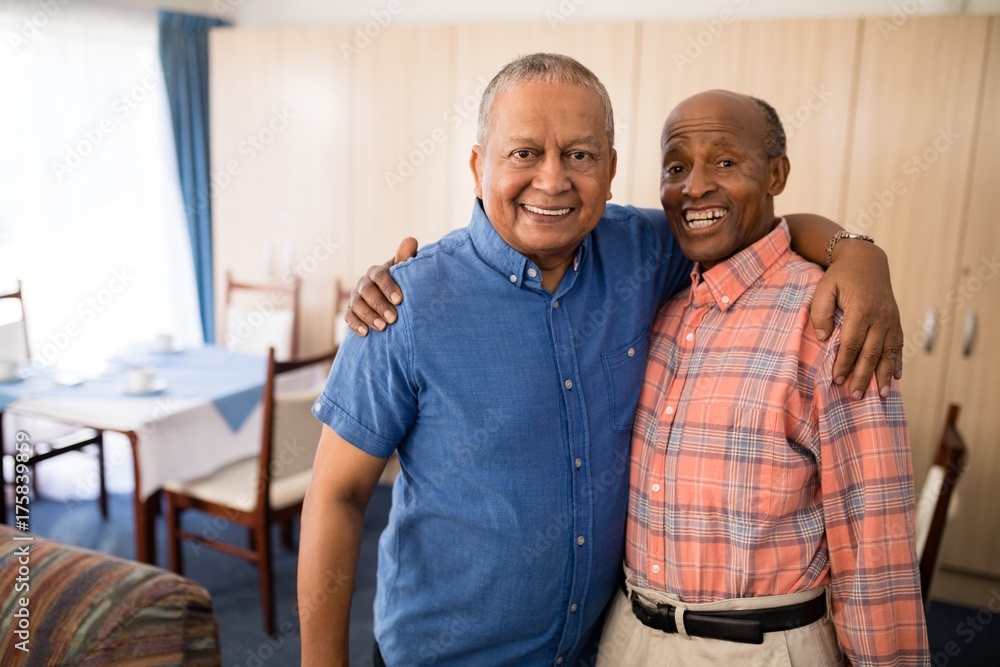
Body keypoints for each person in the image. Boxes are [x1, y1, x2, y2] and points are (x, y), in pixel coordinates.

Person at [300, 54, 902, 667]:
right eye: (524, 153)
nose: (553, 180)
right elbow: (337, 497)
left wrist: (857, 255)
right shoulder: (404, 305)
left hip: (598, 650)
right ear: (479, 165)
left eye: (580, 155)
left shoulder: (645, 249)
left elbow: (757, 225)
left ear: (612, 170)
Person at [594, 90, 927, 666]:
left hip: (762, 649)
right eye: (677, 166)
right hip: (630, 636)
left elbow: (874, 545)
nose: (694, 186)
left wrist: (858, 254)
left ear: (776, 173)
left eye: (725, 161)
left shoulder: (834, 317)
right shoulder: (665, 305)